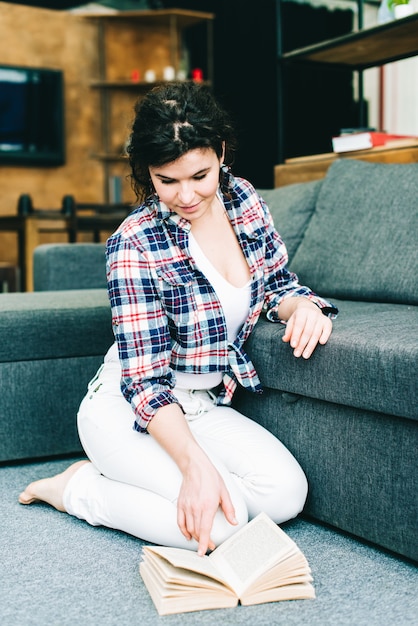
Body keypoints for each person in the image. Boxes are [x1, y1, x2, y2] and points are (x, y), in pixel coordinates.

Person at [19, 82, 337, 557]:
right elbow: (144, 381)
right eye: (167, 181)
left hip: (204, 405)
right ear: (148, 173)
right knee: (223, 530)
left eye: (200, 175)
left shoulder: (244, 199)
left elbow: (276, 283)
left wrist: (302, 306)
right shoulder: (134, 244)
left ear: (221, 152)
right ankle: (79, 489)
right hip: (130, 411)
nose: (187, 195)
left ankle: (142, 484)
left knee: (286, 495)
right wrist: (194, 466)